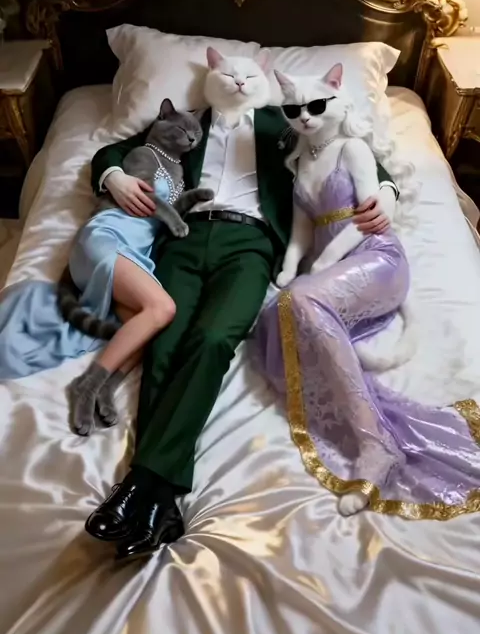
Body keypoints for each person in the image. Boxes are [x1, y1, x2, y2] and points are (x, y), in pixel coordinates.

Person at [84, 48, 399, 561]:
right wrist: (114, 176)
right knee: (165, 343)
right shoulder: (186, 122)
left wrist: (385, 190)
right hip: (183, 237)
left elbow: (344, 141)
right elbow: (113, 152)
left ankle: (141, 483)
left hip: (250, 242)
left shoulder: (285, 121)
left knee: (213, 338)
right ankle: (160, 505)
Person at [254, 64, 480, 520]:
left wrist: (320, 267)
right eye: (295, 110)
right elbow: (301, 230)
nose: (305, 116)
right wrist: (291, 268)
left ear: (337, 95)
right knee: (276, 313)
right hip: (334, 270)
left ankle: (374, 445)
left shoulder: (353, 148)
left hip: (376, 257)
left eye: (316, 106)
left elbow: (366, 218)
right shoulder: (300, 163)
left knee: (301, 301)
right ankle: (371, 429)